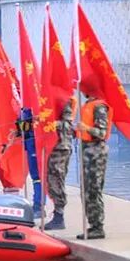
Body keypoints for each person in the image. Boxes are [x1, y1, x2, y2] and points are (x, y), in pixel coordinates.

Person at [77, 95, 111, 240]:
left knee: (93, 190)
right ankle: (93, 225)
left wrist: (85, 128)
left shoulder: (99, 106)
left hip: (96, 153)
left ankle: (98, 227)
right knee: (86, 190)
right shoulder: (88, 104)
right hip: (87, 152)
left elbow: (101, 133)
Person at [45, 99, 77, 230]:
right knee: (50, 179)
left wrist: (52, 124)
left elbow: (68, 125)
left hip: (61, 146)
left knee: (57, 179)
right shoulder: (48, 96)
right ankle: (56, 213)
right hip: (52, 145)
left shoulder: (65, 99)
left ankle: (59, 215)